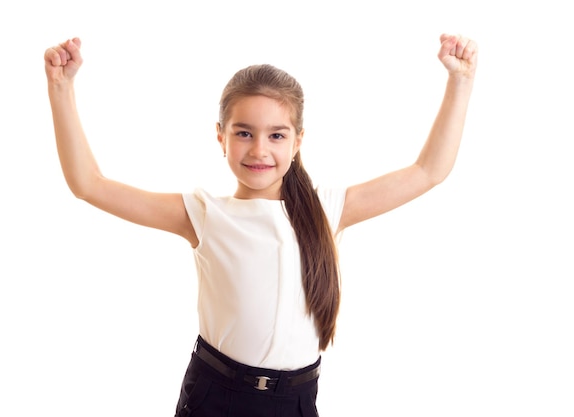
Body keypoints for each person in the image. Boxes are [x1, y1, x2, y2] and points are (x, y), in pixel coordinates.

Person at [44, 33, 478, 416]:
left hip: (296, 401)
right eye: (244, 133)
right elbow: (89, 185)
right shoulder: (204, 215)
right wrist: (61, 88)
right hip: (217, 396)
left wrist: (460, 82)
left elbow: (428, 171)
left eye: (276, 135)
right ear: (222, 137)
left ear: (298, 140)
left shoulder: (329, 208)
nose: (259, 150)